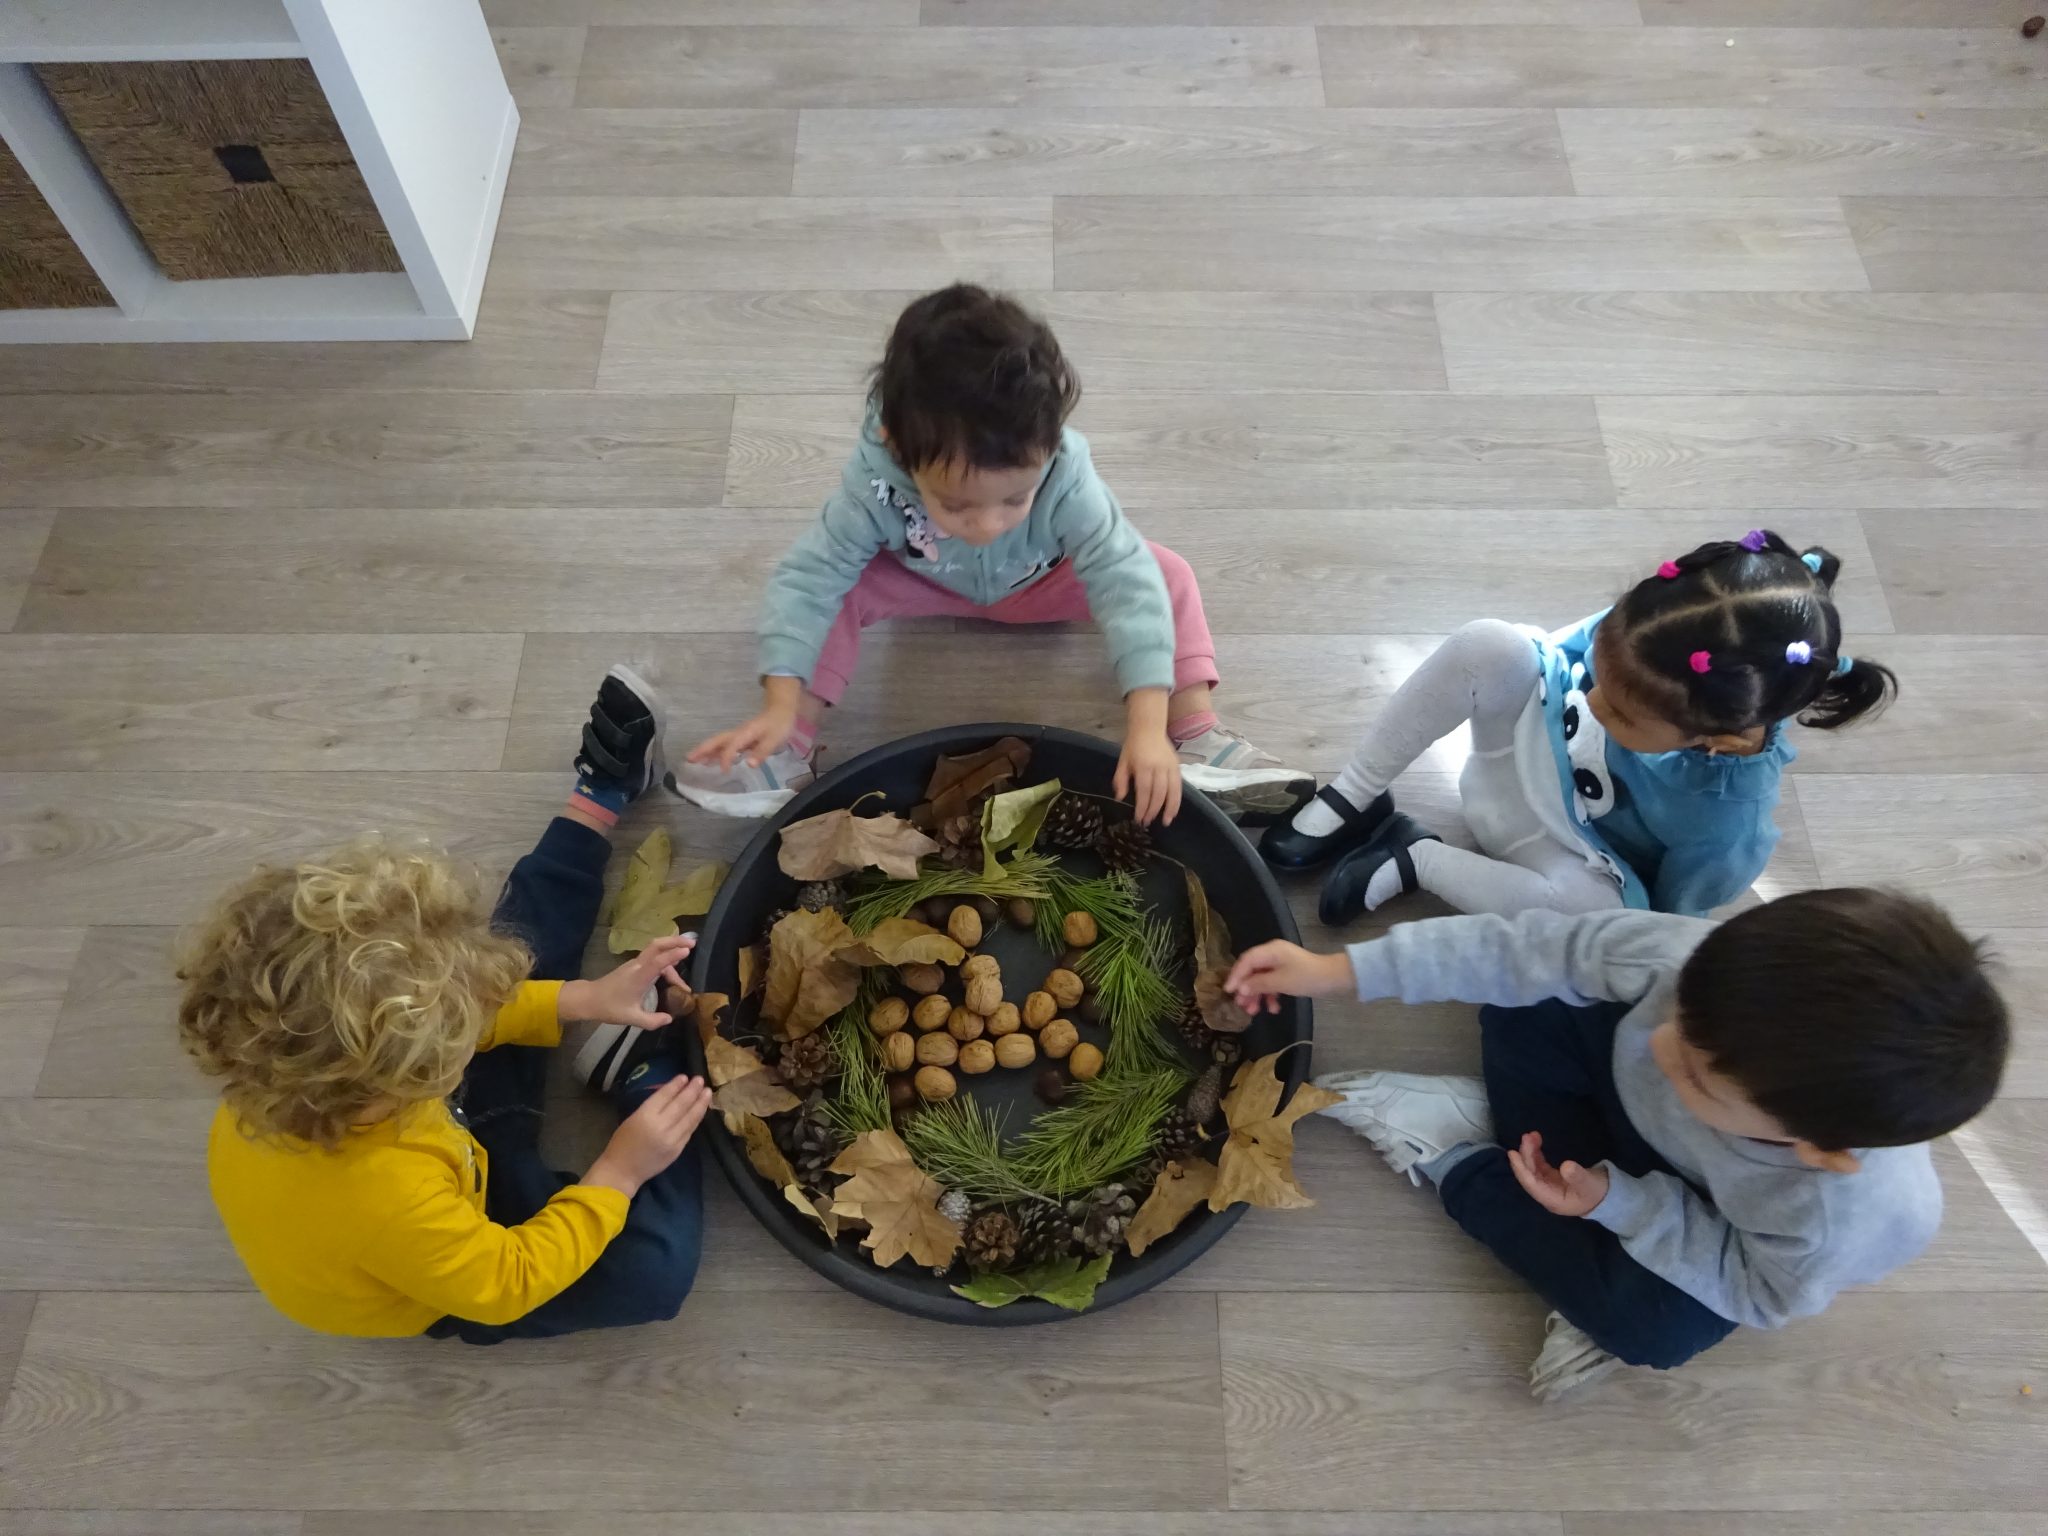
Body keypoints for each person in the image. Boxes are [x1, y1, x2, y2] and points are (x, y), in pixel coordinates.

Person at [1223, 889, 2009, 1398]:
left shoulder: (1835, 1215)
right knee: (1526, 1000)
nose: (1662, 1045)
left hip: (1698, 1218)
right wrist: (1342, 971)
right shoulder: (1693, 971)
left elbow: (1751, 1287)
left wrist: (1623, 1203)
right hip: (1616, 1118)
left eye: (1698, 1073)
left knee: (1655, 1330)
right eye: (1681, 1014)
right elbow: (1533, 949)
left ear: (1816, 1149)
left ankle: (1463, 1157)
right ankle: (1537, 1178)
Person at [177, 668, 712, 1342]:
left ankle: (600, 795)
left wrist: (582, 998)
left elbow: (462, 1003)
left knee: (517, 956)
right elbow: (507, 1283)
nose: (476, 1009)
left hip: (440, 1141)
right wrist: (619, 1169)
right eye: (458, 1022)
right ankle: (647, 1079)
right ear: (409, 1071)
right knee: (652, 1274)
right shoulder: (386, 1202)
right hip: (454, 1261)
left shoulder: (295, 1057)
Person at [672, 282, 1312, 826]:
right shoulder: (875, 478)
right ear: (898, 450)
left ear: (1050, 445)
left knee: (1165, 573)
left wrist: (1145, 726)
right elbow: (810, 579)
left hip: (1046, 582)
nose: (987, 526)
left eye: (1016, 499)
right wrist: (780, 701)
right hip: (926, 582)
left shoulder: (1068, 474)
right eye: (956, 505)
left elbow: (1124, 582)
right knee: (842, 585)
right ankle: (791, 747)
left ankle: (1196, 735)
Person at [1260, 531, 1897, 922]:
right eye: (1600, 672)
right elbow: (1543, 663)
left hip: (1563, 857)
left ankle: (1416, 858)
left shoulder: (1727, 815)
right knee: (1492, 642)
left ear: (1718, 740)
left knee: (1602, 918)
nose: (1596, 703)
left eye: (1622, 715)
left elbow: (1671, 916)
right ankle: (1356, 791)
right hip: (1510, 764)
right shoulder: (1656, 638)